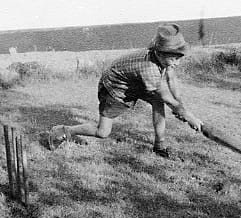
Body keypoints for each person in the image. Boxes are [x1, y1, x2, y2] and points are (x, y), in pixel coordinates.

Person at [47, 23, 203, 158]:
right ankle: (65, 130)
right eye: (174, 58)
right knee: (103, 132)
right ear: (160, 53)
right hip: (115, 87)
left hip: (134, 81)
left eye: (179, 58)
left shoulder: (165, 59)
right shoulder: (149, 68)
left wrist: (181, 106)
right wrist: (190, 117)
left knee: (157, 102)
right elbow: (168, 98)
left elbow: (171, 78)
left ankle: (159, 146)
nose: (177, 62)